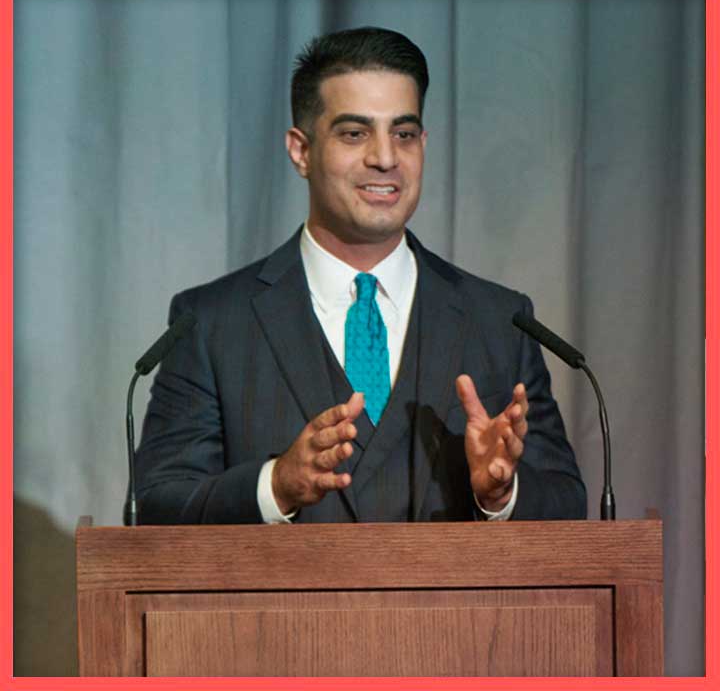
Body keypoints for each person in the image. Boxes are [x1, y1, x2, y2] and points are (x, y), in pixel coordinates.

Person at [134, 27, 586, 524]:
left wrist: (500, 495)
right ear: (301, 151)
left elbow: (569, 505)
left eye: (404, 134)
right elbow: (154, 509)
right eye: (355, 133)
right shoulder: (210, 324)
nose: (386, 158)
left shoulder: (501, 322)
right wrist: (275, 487)